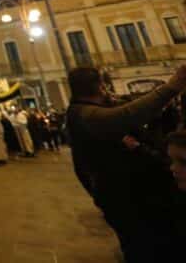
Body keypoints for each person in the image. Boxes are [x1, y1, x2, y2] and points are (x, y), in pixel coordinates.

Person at [66, 64, 186, 262]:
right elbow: (126, 115)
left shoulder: (94, 109)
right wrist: (171, 87)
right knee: (146, 248)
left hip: (135, 194)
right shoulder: (82, 114)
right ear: (99, 87)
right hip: (124, 198)